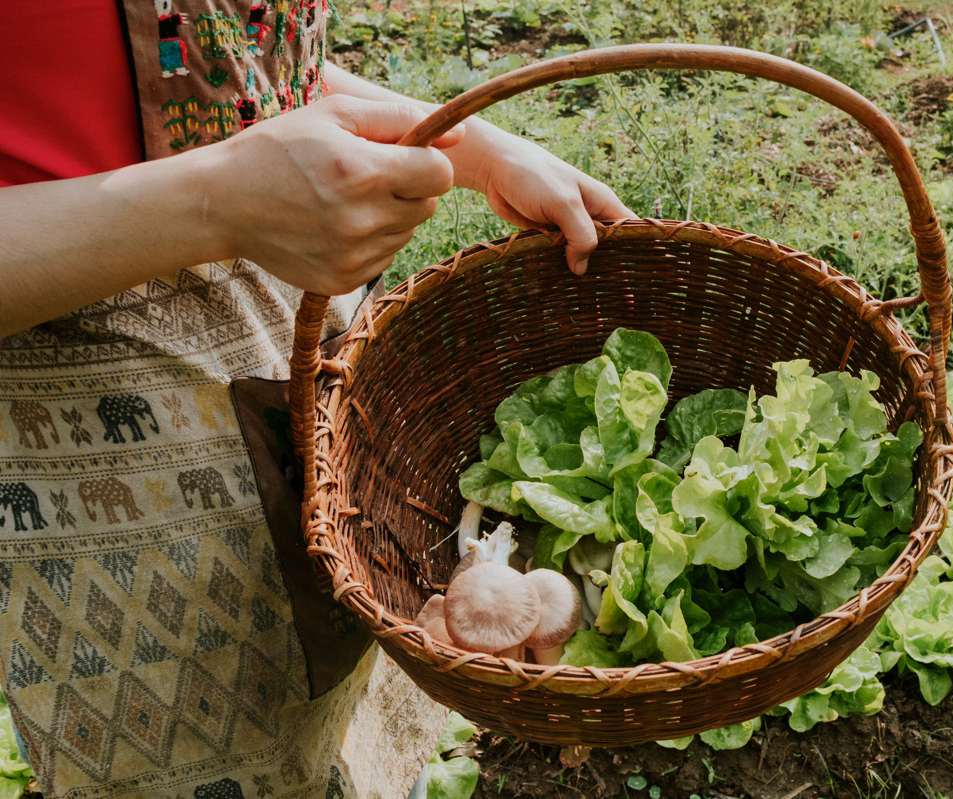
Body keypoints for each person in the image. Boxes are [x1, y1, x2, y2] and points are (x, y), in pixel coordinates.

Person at [0, 2, 634, 798]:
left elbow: (228, 70)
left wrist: (472, 146)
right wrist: (212, 204)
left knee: (349, 715)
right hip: (101, 448)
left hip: (304, 338)